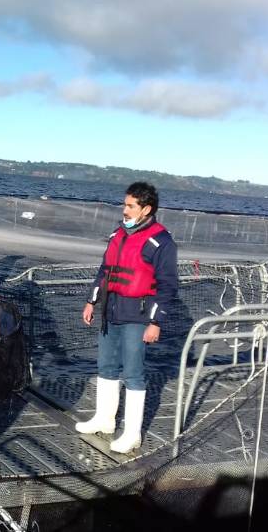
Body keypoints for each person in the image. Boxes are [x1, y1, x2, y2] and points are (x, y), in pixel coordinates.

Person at [76, 182, 178, 454]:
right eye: (125, 204)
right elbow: (104, 270)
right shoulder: (117, 234)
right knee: (106, 367)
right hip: (111, 311)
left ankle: (132, 434)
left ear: (146, 209)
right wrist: (91, 300)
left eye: (131, 205)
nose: (125, 210)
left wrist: (155, 322)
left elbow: (167, 285)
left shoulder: (161, 241)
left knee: (133, 374)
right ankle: (104, 420)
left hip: (139, 315)